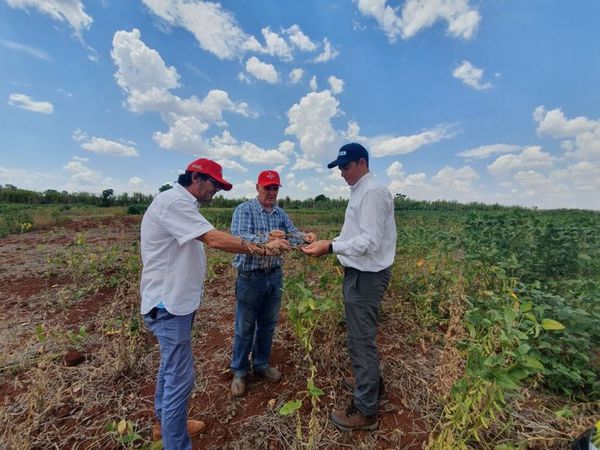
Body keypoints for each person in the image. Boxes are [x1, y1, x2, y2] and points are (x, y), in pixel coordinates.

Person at [140, 158, 290, 449]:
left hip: (175, 302)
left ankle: (164, 424)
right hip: (168, 304)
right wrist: (261, 247)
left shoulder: (183, 204)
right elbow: (215, 239)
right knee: (180, 379)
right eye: (215, 185)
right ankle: (176, 442)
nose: (217, 191)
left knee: (170, 370)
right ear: (196, 178)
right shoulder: (175, 203)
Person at [301, 143, 396, 432]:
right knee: (358, 335)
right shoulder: (360, 192)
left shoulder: (372, 192)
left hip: (367, 276)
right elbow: (352, 234)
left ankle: (366, 411)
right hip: (358, 272)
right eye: (339, 167)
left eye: (346, 166)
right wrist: (327, 241)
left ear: (362, 163)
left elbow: (370, 242)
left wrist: (329, 247)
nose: (342, 172)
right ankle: (370, 382)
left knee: (360, 338)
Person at [229, 170, 316, 397]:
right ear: (257, 187)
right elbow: (238, 237)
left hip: (274, 276)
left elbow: (292, 233)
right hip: (250, 277)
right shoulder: (244, 210)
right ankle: (239, 371)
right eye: (267, 187)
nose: (271, 192)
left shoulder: (280, 213)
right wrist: (268, 238)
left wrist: (305, 237)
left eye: (275, 188)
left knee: (268, 324)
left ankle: (261, 364)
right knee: (244, 326)